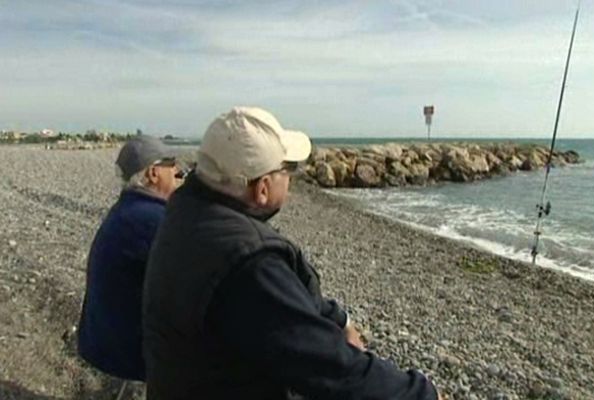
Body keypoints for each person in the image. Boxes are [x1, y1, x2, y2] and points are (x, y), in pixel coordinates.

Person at [143, 107, 440, 399]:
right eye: (288, 169)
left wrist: (340, 320)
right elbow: (327, 366)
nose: (292, 178)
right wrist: (421, 393)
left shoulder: (188, 213)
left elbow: (282, 308)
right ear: (262, 188)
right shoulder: (248, 262)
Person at [78, 135, 184, 382]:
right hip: (127, 358)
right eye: (172, 164)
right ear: (153, 173)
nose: (178, 171)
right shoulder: (152, 220)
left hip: (102, 342)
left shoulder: (129, 210)